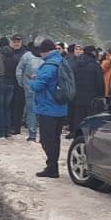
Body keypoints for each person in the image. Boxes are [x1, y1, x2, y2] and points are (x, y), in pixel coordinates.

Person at [30, 39, 68, 178]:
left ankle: (52, 167)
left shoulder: (48, 66)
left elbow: (38, 86)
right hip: (61, 107)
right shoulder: (62, 61)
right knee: (55, 139)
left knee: (47, 140)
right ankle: (53, 165)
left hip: (48, 108)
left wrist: (32, 79)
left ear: (45, 51)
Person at [68, 44, 104, 137]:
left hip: (77, 97)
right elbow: (100, 83)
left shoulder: (76, 64)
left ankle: (76, 134)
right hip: (92, 98)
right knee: (88, 120)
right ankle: (86, 135)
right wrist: (101, 96)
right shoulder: (96, 66)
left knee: (77, 117)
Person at [15, 39, 42, 142]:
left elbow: (19, 70)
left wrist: (21, 82)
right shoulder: (46, 57)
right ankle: (41, 134)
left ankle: (32, 134)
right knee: (42, 111)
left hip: (29, 87)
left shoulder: (27, 56)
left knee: (31, 110)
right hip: (43, 89)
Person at [6, 35, 25, 135]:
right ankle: (9, 125)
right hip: (9, 82)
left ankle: (16, 127)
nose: (16, 43)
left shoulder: (25, 54)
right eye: (14, 41)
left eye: (18, 41)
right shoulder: (9, 52)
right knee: (9, 105)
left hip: (20, 85)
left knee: (18, 107)